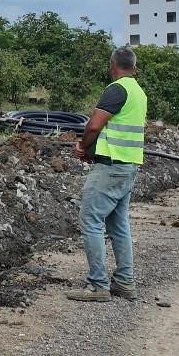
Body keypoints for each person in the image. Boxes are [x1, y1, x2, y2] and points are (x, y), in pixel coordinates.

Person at [67, 46, 147, 302]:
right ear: (134, 67)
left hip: (111, 166)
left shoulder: (117, 89)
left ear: (112, 65)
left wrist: (83, 146)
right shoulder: (139, 92)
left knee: (90, 219)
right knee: (118, 224)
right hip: (128, 166)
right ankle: (125, 282)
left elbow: (94, 125)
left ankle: (98, 286)